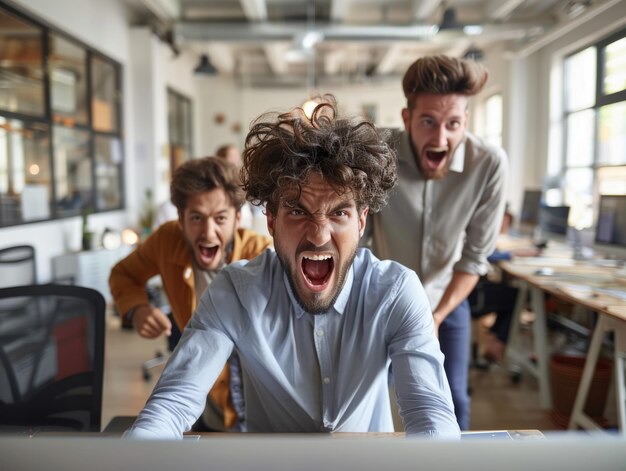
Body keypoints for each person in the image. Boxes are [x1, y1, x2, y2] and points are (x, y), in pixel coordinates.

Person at [123, 98, 460, 439]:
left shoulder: (396, 291)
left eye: (339, 213)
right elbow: (173, 403)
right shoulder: (235, 292)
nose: (318, 235)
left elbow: (430, 414)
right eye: (298, 212)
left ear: (361, 221)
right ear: (270, 220)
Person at [369, 55, 508, 430]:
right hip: (381, 297)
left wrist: (437, 315)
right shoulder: (377, 152)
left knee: (453, 399)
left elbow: (475, 257)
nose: (441, 137)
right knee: (374, 395)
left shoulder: (489, 164)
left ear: (466, 121)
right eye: (428, 121)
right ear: (406, 118)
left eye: (454, 124)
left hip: (447, 297)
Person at [109, 156, 273, 431]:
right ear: (181, 219)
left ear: (237, 218)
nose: (208, 233)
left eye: (220, 218)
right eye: (196, 218)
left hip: (253, 387)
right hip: (198, 389)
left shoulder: (262, 254)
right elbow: (123, 274)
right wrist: (137, 309)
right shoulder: (166, 240)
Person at [470, 205, 541, 364]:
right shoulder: (473, 224)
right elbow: (483, 254)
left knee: (510, 294)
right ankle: (497, 343)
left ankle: (495, 341)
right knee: (516, 297)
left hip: (471, 289)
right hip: (471, 294)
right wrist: (513, 253)